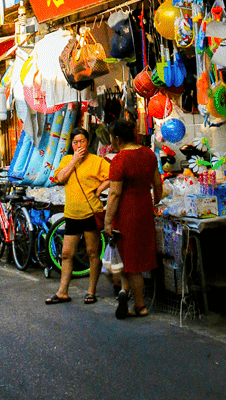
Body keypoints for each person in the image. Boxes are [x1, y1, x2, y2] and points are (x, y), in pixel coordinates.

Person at [102, 119, 162, 319]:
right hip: (145, 207)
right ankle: (125, 293)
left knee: (132, 261)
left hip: (127, 212)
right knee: (137, 256)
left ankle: (140, 305)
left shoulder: (120, 160)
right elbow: (157, 184)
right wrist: (154, 204)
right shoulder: (149, 154)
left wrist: (108, 220)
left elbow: (114, 194)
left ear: (118, 139)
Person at [45, 128, 111, 306]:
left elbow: (113, 176)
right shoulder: (67, 159)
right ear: (72, 144)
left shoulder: (97, 161)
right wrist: (73, 161)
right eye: (75, 142)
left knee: (92, 252)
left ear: (88, 142)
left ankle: (91, 291)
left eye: (82, 141)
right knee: (67, 254)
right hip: (72, 213)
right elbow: (58, 177)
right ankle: (62, 291)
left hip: (91, 211)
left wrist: (99, 189)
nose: (79, 145)